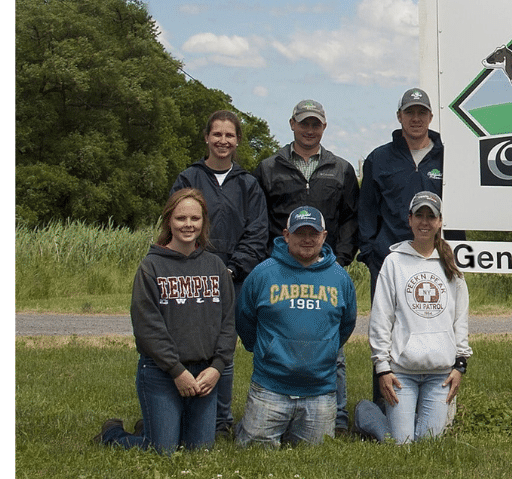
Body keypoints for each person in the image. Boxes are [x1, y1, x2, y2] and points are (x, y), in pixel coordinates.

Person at [96, 189, 236, 452]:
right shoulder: (151, 267)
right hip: (162, 373)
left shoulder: (216, 267)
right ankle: (113, 433)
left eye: (195, 218)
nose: (188, 225)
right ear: (169, 220)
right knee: (163, 450)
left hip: (204, 373)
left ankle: (153, 427)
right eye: (181, 218)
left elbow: (228, 323)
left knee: (200, 450)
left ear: (204, 221)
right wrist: (176, 370)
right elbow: (147, 328)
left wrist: (217, 367)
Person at [253, 99, 360, 434]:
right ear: (292, 124)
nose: (310, 129)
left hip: (326, 267)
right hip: (281, 266)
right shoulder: (269, 167)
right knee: (283, 339)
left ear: (324, 127)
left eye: (316, 124)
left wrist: (339, 261)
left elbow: (350, 220)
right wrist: (271, 261)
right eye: (304, 123)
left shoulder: (340, 168)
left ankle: (337, 420)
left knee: (333, 350)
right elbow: (259, 218)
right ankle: (278, 407)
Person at [171, 109, 269, 437]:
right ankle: (185, 409)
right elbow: (181, 223)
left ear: (238, 140)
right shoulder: (189, 178)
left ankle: (221, 420)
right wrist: (202, 267)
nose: (223, 141)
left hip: (235, 279)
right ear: (206, 138)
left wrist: (231, 268)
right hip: (193, 277)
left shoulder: (248, 184)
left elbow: (257, 232)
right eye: (217, 134)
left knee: (223, 349)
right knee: (192, 343)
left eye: (229, 135)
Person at [235, 206, 357, 447]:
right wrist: (268, 349)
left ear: (324, 235)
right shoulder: (263, 274)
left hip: (320, 391)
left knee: (314, 461)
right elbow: (245, 320)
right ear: (286, 235)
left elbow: (346, 325)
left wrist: (325, 349)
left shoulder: (340, 278)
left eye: (314, 233)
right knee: (254, 455)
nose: (308, 239)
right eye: (300, 233)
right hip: (270, 387)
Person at [355, 191, 471, 444]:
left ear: (440, 222)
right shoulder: (394, 262)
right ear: (409, 219)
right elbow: (381, 318)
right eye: (419, 215)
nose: (425, 222)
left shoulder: (450, 265)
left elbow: (460, 320)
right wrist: (382, 367)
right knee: (402, 446)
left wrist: (460, 365)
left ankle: (390, 420)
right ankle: (367, 412)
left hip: (440, 374)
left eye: (431, 216)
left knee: (428, 445)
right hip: (401, 372)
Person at [358, 88, 446, 299]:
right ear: (399, 116)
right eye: (409, 112)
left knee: (431, 326)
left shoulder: (446, 157)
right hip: (387, 261)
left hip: (435, 260)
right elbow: (366, 211)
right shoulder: (379, 159)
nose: (416, 119)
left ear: (431, 117)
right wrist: (372, 254)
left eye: (422, 112)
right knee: (385, 328)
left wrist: (450, 254)